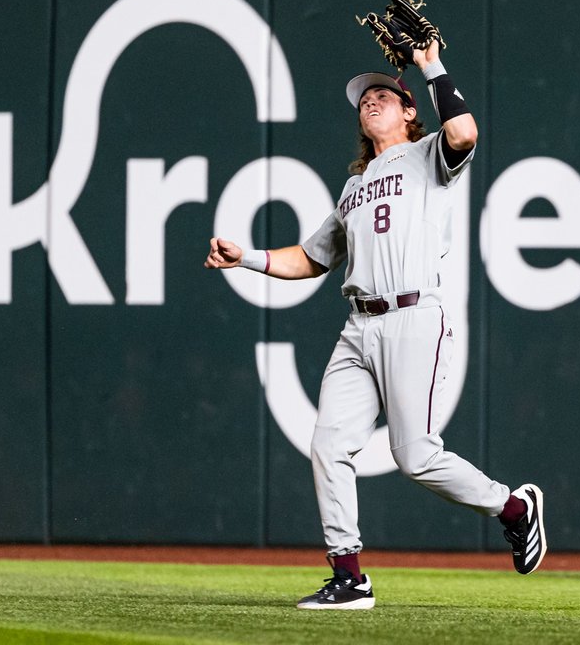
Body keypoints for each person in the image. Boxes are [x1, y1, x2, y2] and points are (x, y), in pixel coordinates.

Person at [204, 40, 546, 610]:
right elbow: (310, 260)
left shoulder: (429, 155)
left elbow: (465, 134)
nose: (371, 101)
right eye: (364, 99)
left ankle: (514, 508)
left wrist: (430, 63)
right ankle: (349, 576)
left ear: (410, 111)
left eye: (384, 94)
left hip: (414, 315)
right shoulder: (353, 189)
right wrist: (246, 258)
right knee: (328, 444)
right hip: (358, 326)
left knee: (416, 456)